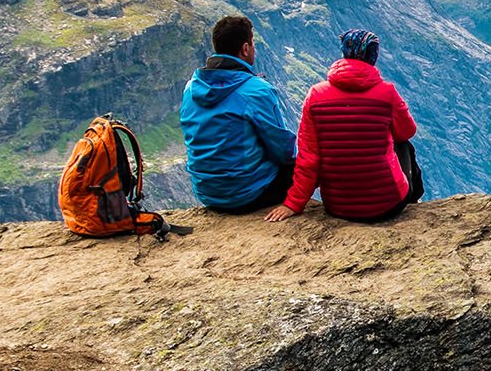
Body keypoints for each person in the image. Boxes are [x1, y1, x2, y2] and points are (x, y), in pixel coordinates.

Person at [267, 29, 425, 223]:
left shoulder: (316, 95)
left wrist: (293, 203)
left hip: (338, 207)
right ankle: (414, 202)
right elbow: (408, 131)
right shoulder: (387, 93)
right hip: (388, 205)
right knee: (404, 145)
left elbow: (309, 157)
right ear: (373, 56)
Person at [180, 15, 298, 213]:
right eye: (252, 44)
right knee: (307, 163)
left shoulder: (191, 88)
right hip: (247, 194)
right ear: (245, 49)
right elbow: (283, 149)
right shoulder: (256, 91)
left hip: (206, 193)